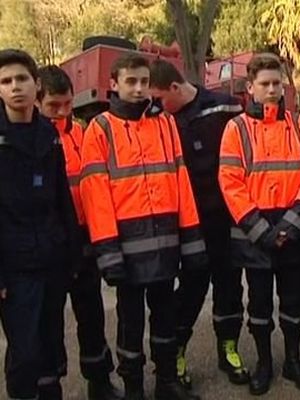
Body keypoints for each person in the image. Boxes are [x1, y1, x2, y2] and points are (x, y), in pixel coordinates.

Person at [79, 53, 207, 400]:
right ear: (114, 85)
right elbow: (96, 193)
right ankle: (134, 388)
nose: (138, 89)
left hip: (165, 241)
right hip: (126, 247)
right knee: (130, 322)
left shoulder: (165, 123)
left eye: (144, 82)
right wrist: (108, 253)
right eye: (131, 82)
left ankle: (166, 381)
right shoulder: (100, 128)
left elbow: (181, 180)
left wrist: (191, 239)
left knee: (165, 317)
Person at [218, 53, 300, 396]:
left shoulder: (299, 124)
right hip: (256, 231)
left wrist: (293, 222)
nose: (272, 89)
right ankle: (265, 364)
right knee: (259, 305)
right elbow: (230, 181)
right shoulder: (236, 129)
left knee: (294, 302)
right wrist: (260, 229)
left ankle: (293, 361)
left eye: (277, 83)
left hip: (294, 228)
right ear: (250, 87)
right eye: (265, 84)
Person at [149, 59, 248, 388]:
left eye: (160, 98)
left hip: (227, 216)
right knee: (191, 287)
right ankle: (176, 351)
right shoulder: (162, 119)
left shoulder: (225, 106)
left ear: (175, 88)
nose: (156, 105)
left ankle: (228, 347)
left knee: (230, 285)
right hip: (189, 221)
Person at [37, 65, 123, 400]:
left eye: (67, 104)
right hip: (52, 247)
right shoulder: (35, 139)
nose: (62, 112)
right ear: (38, 103)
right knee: (49, 326)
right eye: (54, 106)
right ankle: (49, 388)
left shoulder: (84, 133)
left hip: (85, 242)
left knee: (92, 316)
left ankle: (99, 382)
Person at [0, 49, 78, 400]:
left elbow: (62, 198)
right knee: (25, 351)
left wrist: (72, 253)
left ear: (36, 85)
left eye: (21, 79)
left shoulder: (48, 134)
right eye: (5, 81)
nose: (15, 87)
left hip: (51, 257)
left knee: (50, 344)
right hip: (14, 267)